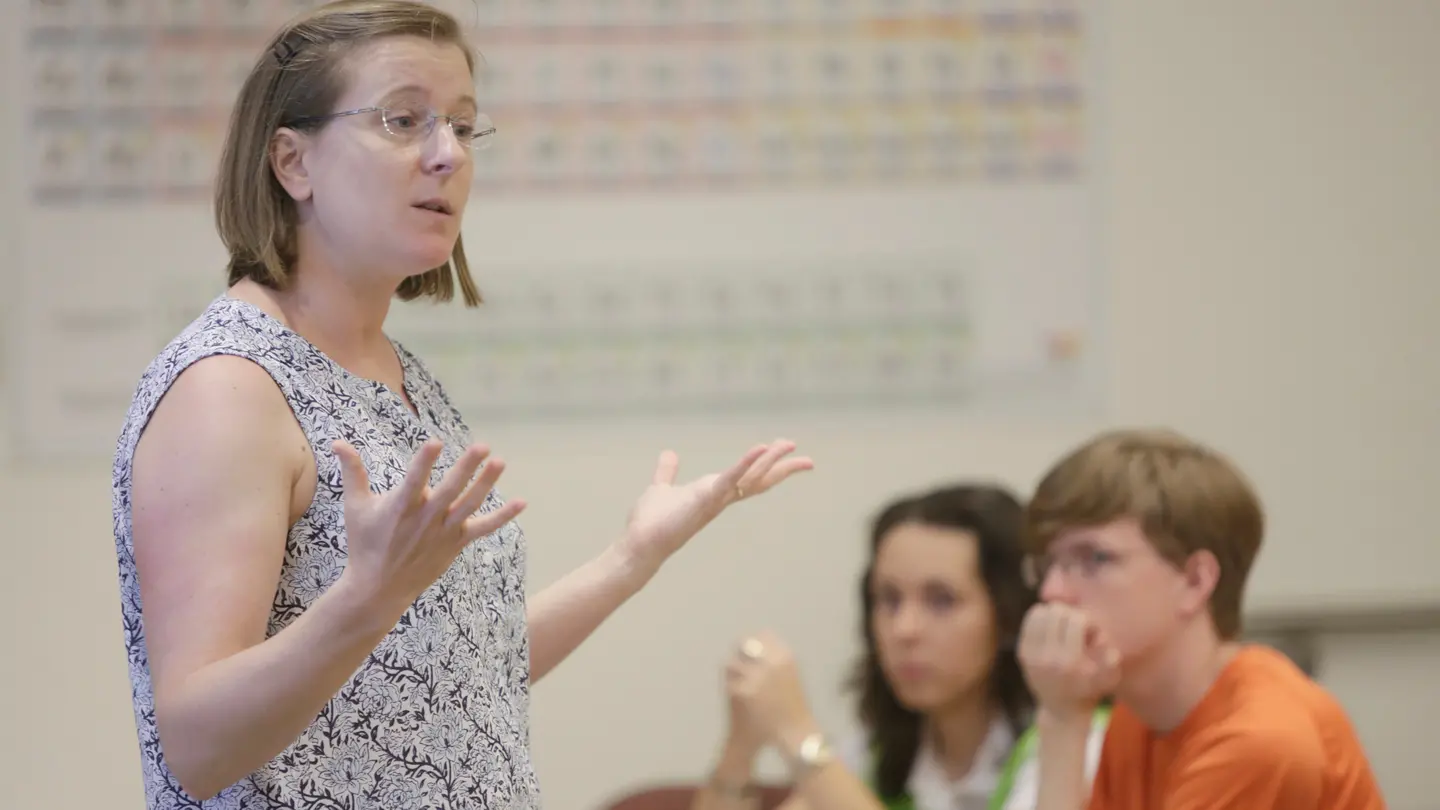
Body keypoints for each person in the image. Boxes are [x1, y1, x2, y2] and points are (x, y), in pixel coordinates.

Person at [110, 3, 813, 808]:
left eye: (464, 127)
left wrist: (630, 559)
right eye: (404, 120)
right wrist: (365, 602)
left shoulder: (396, 373)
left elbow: (460, 682)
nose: (447, 155)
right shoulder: (229, 387)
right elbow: (197, 745)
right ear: (292, 162)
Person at [1016, 428, 1387, 810]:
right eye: (1049, 564)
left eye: (1095, 559)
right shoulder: (1139, 716)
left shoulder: (1258, 739)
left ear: (1195, 581)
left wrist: (1062, 720)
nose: (1053, 592)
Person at [693, 485, 1109, 810]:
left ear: (1007, 616)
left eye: (941, 600)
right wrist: (741, 746)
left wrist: (798, 734)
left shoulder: (1074, 736)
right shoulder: (882, 751)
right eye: (888, 599)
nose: (903, 629)